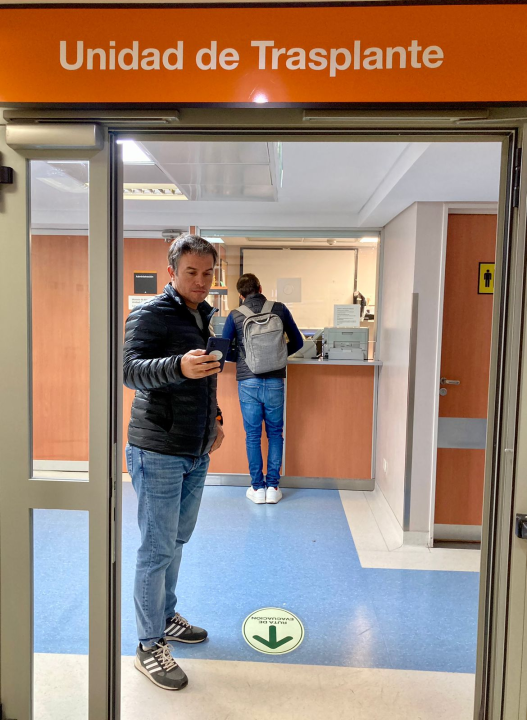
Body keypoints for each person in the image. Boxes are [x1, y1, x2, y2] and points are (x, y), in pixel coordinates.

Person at [123, 234, 225, 691]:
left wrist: (215, 419)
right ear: (171, 272)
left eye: (207, 273)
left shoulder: (202, 315)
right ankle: (148, 646)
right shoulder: (150, 314)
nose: (201, 281)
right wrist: (176, 366)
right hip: (157, 450)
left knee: (177, 541)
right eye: (191, 272)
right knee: (156, 549)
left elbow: (204, 379)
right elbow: (128, 371)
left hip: (194, 449)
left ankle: (164, 617)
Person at [222, 273, 303, 505]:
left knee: (253, 435)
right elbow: (298, 342)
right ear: (260, 288)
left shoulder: (235, 315)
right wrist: (278, 356)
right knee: (275, 434)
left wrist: (243, 358)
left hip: (248, 382)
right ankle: (273, 487)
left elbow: (224, 349)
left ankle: (257, 488)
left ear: (241, 295)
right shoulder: (279, 309)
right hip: (275, 380)